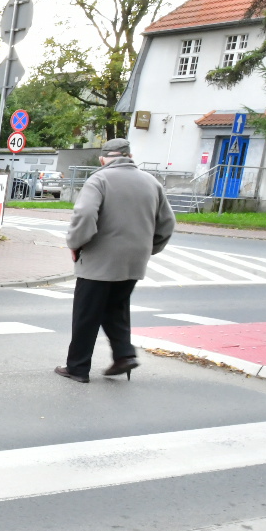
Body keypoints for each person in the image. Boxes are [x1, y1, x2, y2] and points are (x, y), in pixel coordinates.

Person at [55, 137, 176, 383]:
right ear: (130, 156)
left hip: (99, 261)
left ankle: (77, 367)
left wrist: (76, 243)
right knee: (115, 308)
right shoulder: (151, 182)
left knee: (86, 314)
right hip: (134, 261)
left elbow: (85, 213)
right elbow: (167, 223)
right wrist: (150, 248)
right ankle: (124, 355)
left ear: (102, 159)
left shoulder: (99, 179)